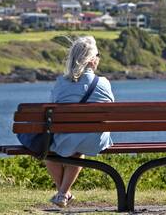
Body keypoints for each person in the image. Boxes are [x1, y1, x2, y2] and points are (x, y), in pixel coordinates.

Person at [46, 36, 115, 208]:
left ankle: (63, 192)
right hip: (95, 141)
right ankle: (63, 194)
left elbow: (51, 109)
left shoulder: (61, 83)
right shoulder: (103, 83)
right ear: (92, 60)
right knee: (79, 145)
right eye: (97, 55)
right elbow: (111, 109)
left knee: (49, 152)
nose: (98, 59)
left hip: (66, 139)